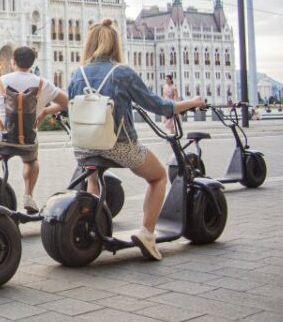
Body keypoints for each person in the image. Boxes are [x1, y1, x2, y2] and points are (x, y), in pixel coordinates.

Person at [68, 19, 204, 261]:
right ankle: (148, 234)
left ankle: (93, 225)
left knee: (93, 181)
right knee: (159, 176)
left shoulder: (76, 74)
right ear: (114, 44)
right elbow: (161, 106)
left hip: (84, 146)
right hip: (118, 145)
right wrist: (193, 103)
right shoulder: (122, 73)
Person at [0, 46, 68, 213]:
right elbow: (66, 102)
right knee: (31, 161)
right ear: (32, 63)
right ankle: (28, 196)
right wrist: (45, 110)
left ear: (13, 61)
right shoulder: (43, 84)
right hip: (27, 140)